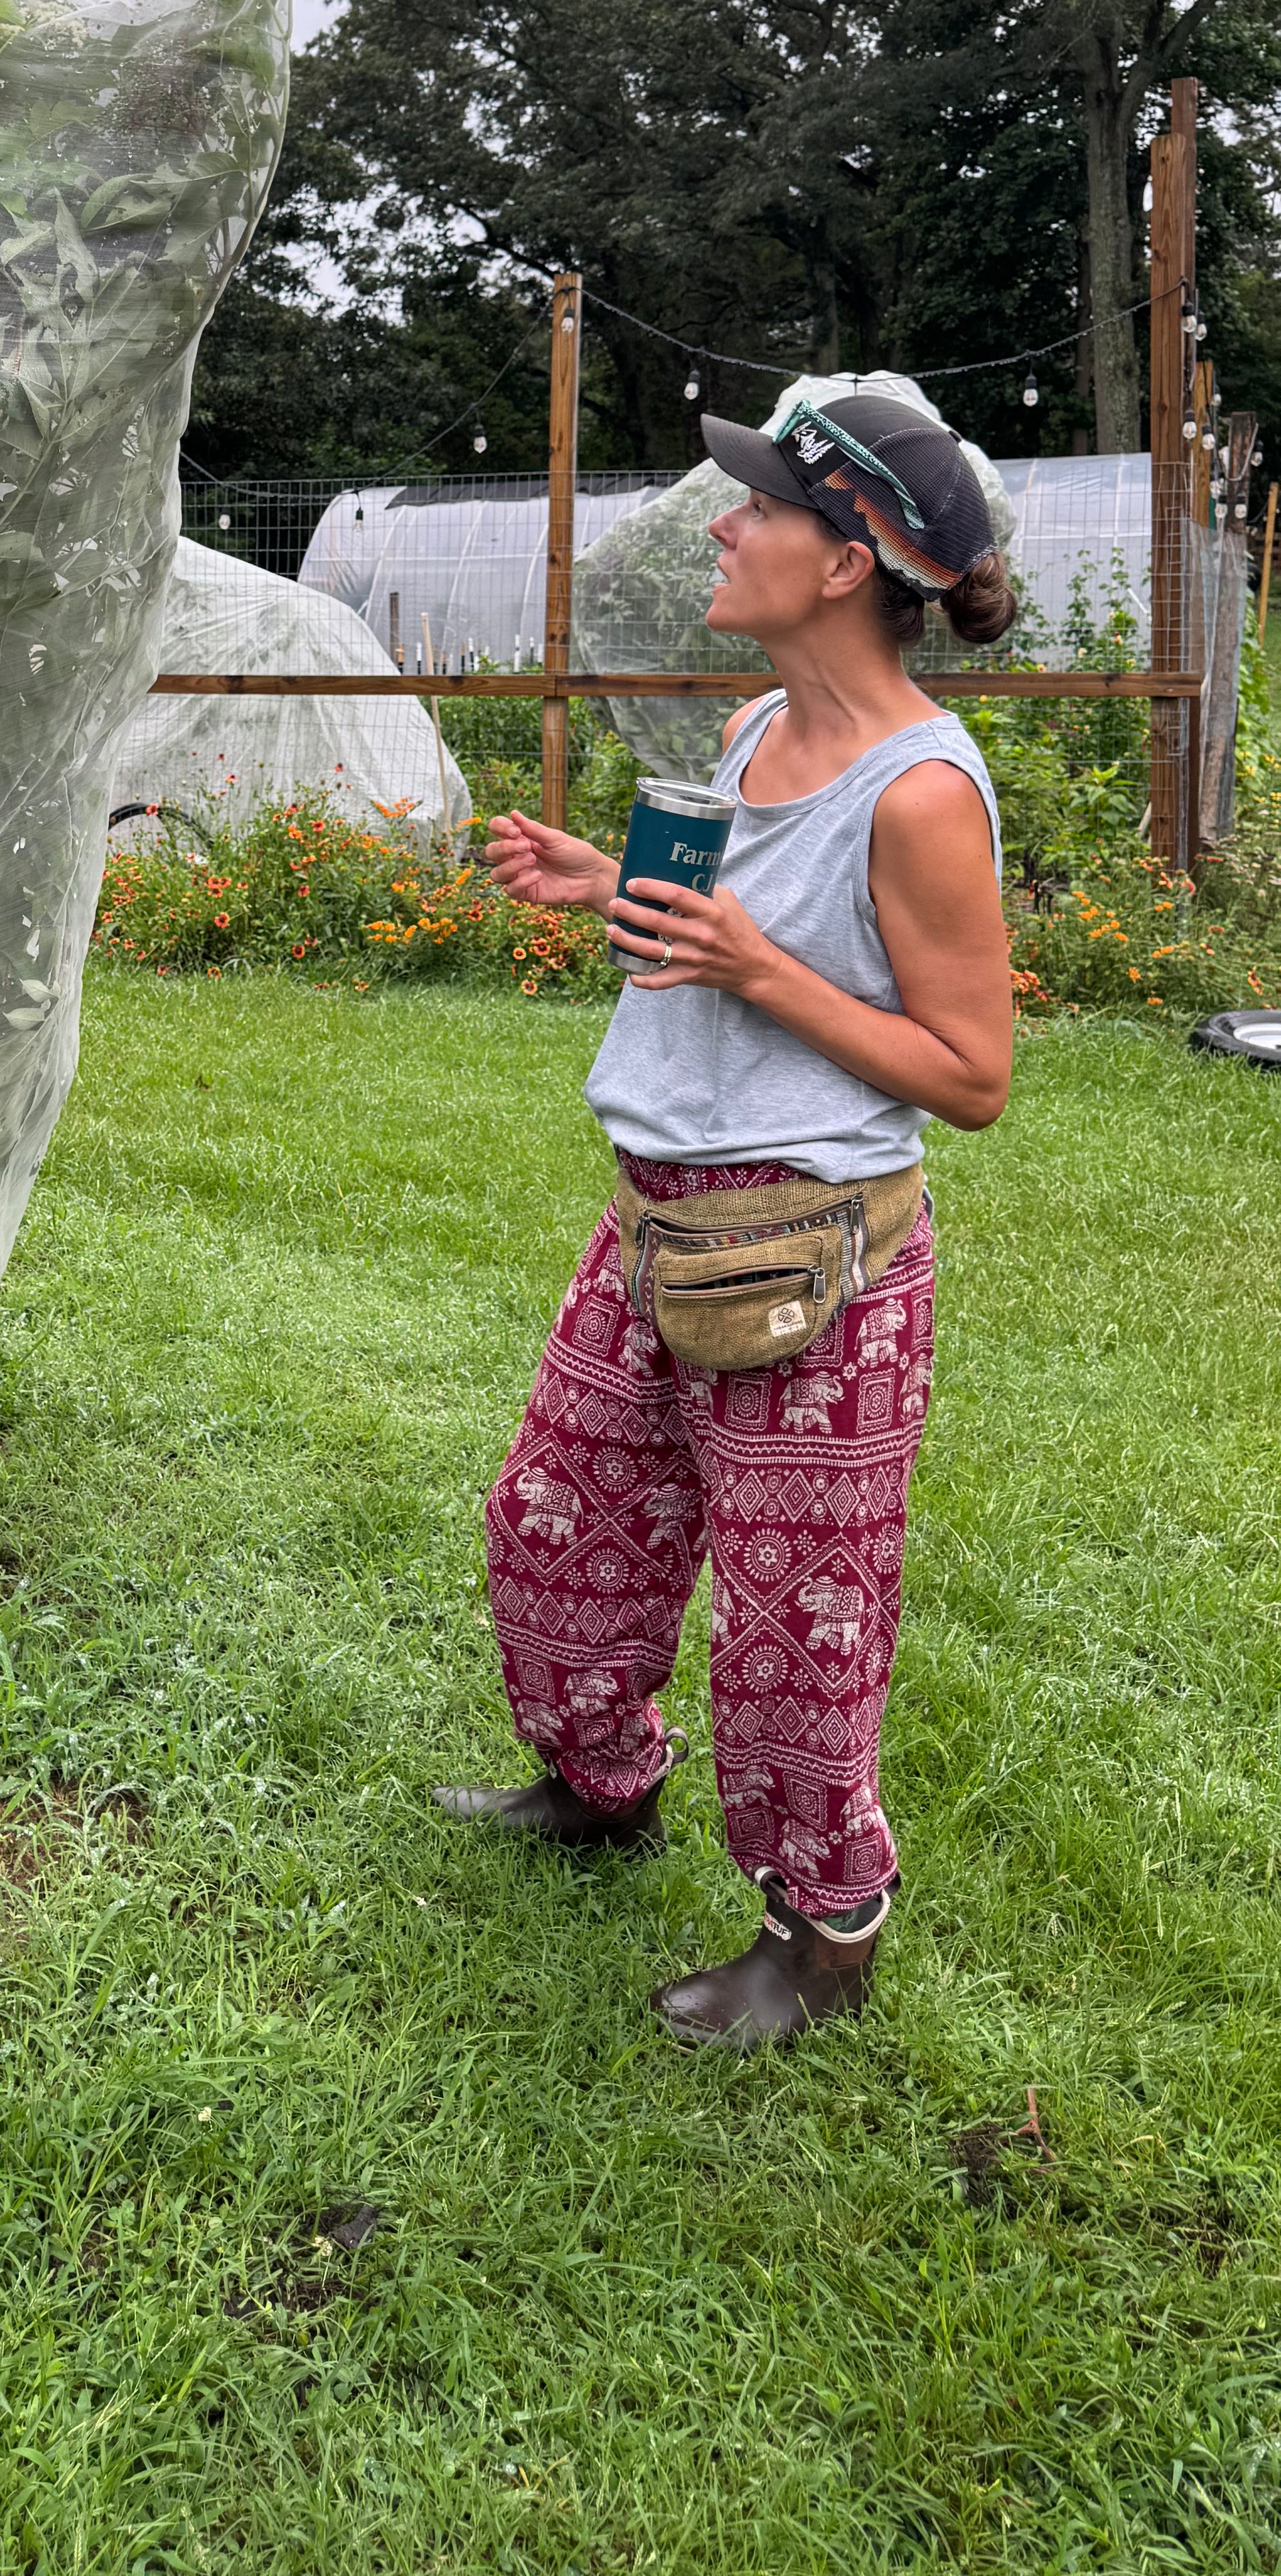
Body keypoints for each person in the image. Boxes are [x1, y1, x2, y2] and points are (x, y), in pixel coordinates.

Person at [433, 389, 1018, 2045]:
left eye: (753, 506)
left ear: (845, 562)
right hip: (654, 1221)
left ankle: (823, 1934)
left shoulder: (923, 793)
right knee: (552, 1527)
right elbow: (736, 917)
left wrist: (757, 969)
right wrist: (599, 882)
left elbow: (970, 1072)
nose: (718, 523)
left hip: (810, 1264)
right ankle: (602, 1784)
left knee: (795, 1629)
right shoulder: (765, 730)